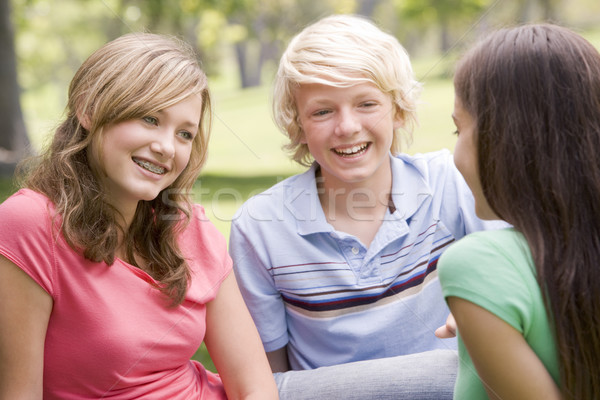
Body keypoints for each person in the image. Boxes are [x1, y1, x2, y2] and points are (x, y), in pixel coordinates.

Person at [229, 14, 503, 399]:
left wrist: (489, 299)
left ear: (398, 109)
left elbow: (525, 280)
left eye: (366, 103)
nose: (347, 127)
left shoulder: (449, 181)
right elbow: (268, 383)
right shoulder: (259, 228)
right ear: (298, 125)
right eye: (322, 111)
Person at [0, 33, 278, 399]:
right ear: (88, 109)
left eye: (184, 134)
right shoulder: (29, 224)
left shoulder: (186, 225)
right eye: (149, 118)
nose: (167, 147)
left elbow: (255, 386)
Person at [438, 23, 600, 399]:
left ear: (504, 141)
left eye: (457, 130)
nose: (455, 153)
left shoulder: (478, 262)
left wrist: (485, 294)